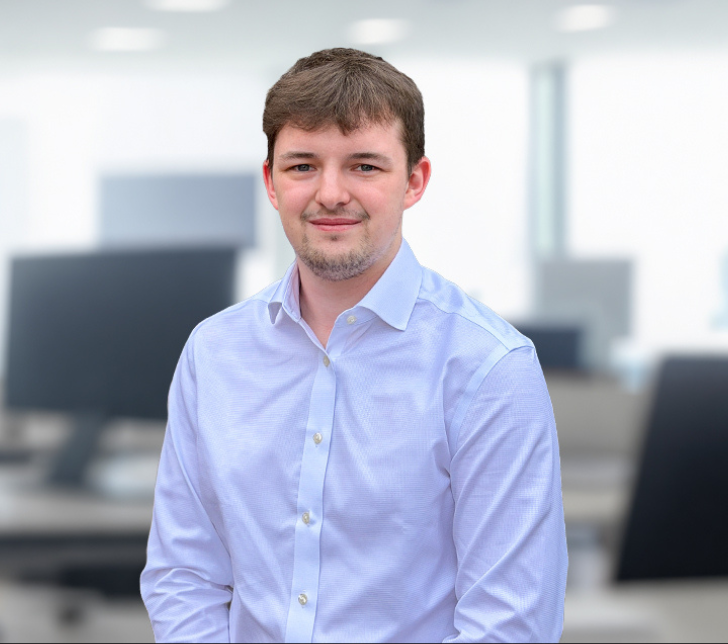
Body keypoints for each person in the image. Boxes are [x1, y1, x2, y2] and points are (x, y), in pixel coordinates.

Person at [140, 48, 566, 642]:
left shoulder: (490, 368)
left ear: (414, 181)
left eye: (364, 166)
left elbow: (510, 623)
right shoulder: (213, 353)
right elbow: (184, 576)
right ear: (270, 181)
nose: (331, 193)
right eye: (302, 166)